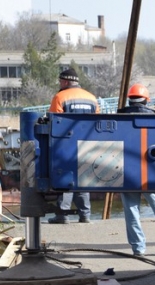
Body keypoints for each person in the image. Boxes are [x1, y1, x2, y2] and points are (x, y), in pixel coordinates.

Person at [116, 83, 155, 256]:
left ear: (130, 99)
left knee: (131, 211)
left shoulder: (120, 116)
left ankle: (138, 249)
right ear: (147, 100)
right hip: (150, 173)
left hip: (128, 172)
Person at [47, 68, 98, 224]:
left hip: (66, 145)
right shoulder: (92, 98)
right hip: (87, 144)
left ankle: (63, 214)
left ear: (66, 81)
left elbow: (54, 122)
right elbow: (97, 122)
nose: (60, 84)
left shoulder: (60, 97)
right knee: (83, 177)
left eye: (61, 81)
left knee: (65, 177)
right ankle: (85, 215)